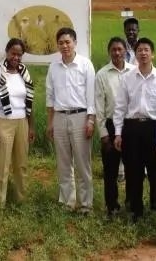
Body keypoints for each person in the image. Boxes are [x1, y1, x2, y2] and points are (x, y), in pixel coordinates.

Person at [113, 37, 156, 221]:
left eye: (146, 50)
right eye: (139, 50)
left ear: (153, 54)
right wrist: (118, 133)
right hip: (132, 128)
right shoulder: (127, 78)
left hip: (154, 128)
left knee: (155, 170)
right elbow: (120, 107)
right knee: (133, 170)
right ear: (135, 55)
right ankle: (135, 209)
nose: (143, 53)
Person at [46, 27, 96, 214]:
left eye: (68, 42)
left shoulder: (85, 65)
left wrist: (90, 121)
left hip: (80, 117)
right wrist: (50, 123)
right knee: (63, 163)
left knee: (82, 163)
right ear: (57, 45)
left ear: (75, 43)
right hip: (59, 117)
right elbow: (50, 97)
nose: (65, 46)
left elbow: (91, 96)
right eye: (61, 43)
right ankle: (67, 201)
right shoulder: (53, 67)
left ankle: (85, 204)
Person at [0, 38, 35, 206]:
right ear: (7, 52)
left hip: (22, 121)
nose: (16, 57)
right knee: (2, 165)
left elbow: (29, 102)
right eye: (13, 53)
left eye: (19, 54)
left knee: (21, 164)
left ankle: (21, 200)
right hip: (3, 121)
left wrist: (31, 127)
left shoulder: (24, 73)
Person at [95, 36, 135, 216]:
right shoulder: (102, 74)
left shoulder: (134, 71)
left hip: (131, 125)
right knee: (110, 171)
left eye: (120, 49)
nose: (117, 53)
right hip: (111, 125)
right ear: (109, 52)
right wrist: (103, 133)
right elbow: (99, 107)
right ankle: (112, 206)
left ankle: (131, 203)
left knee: (132, 168)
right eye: (113, 50)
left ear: (125, 51)